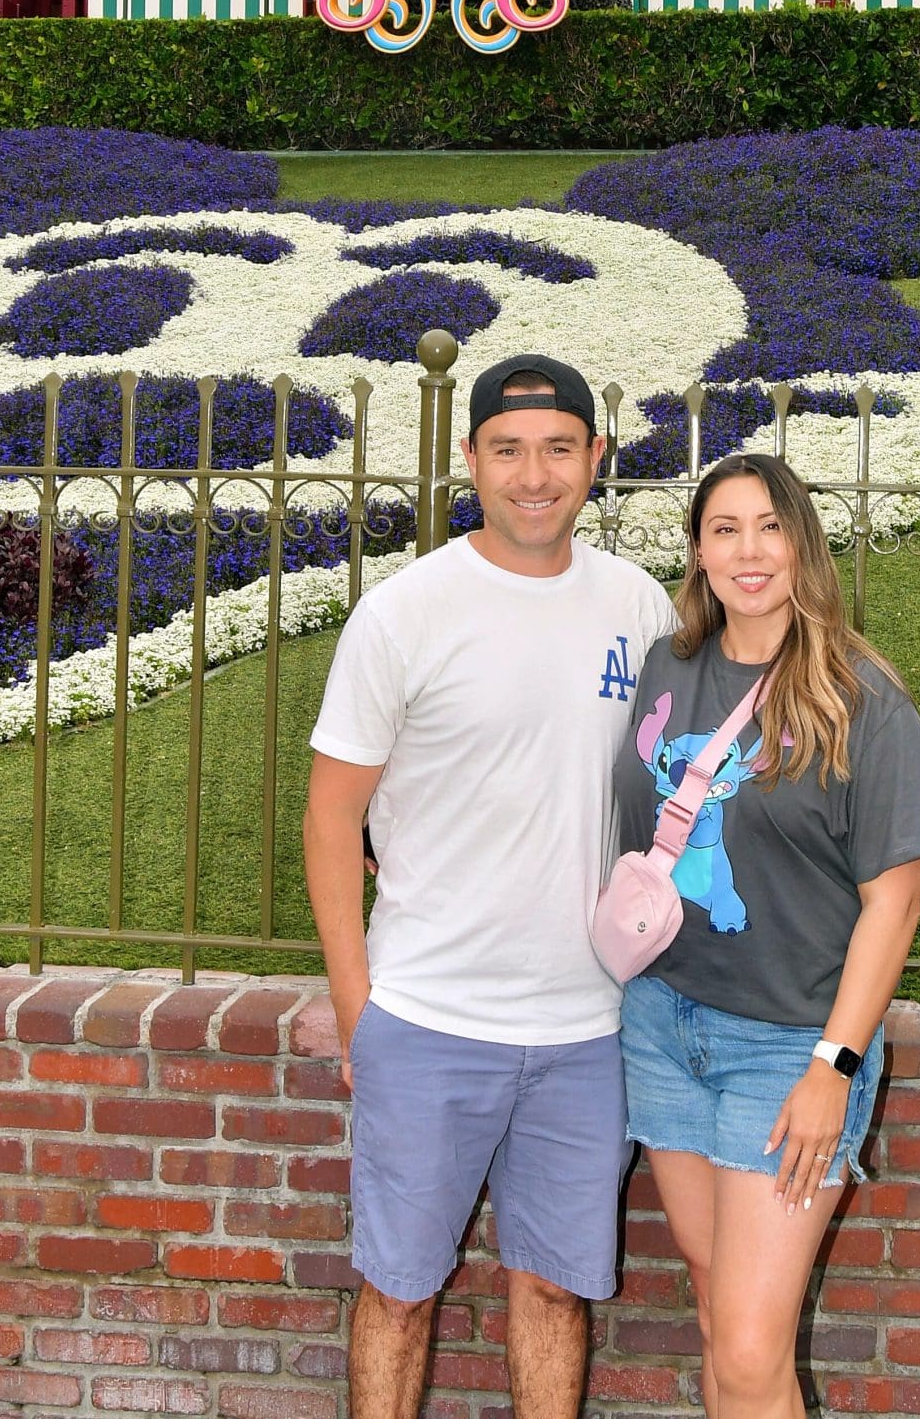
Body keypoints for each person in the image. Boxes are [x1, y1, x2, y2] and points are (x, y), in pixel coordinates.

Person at [302, 354, 676, 1419]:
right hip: (428, 1017)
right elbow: (330, 821)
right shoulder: (405, 613)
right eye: (508, 450)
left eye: (558, 448)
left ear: (596, 457)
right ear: (469, 459)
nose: (534, 475)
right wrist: (357, 1009)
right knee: (399, 1292)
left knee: (555, 1291)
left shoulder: (639, 606)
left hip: (587, 1029)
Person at [611, 451, 920, 1419]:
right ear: (698, 552)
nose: (749, 551)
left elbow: (896, 902)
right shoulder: (670, 667)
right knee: (720, 1322)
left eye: (770, 527)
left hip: (788, 1048)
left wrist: (832, 1069)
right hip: (663, 1023)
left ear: (803, 545)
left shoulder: (861, 697)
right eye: (725, 530)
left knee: (752, 1349)